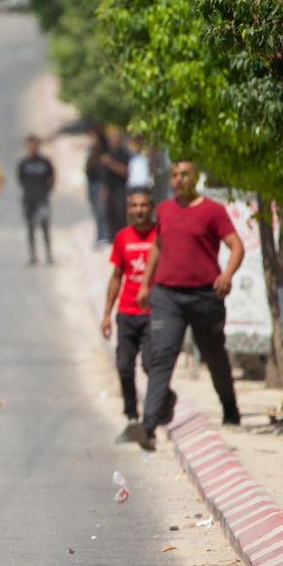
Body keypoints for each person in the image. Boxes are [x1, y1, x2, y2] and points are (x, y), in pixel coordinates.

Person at [135, 159, 245, 447]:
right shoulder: (164, 210)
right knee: (160, 357)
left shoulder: (213, 211)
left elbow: (236, 246)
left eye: (185, 174)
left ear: (195, 178)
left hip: (204, 297)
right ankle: (148, 426)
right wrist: (146, 283)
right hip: (167, 296)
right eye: (174, 174)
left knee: (214, 356)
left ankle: (230, 407)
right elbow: (158, 246)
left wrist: (227, 275)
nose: (179, 179)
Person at [101, 189, 163, 447]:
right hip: (127, 313)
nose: (139, 210)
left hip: (155, 313)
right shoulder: (122, 238)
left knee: (151, 365)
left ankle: (153, 417)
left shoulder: (161, 237)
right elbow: (116, 277)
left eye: (143, 205)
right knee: (125, 366)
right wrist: (106, 314)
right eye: (134, 206)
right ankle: (132, 416)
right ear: (128, 210)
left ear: (152, 208)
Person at [16, 134, 56, 265]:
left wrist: (46, 191)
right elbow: (20, 179)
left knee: (45, 227)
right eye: (30, 145)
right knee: (30, 228)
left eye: (35, 145)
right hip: (28, 199)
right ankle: (33, 256)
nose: (32, 148)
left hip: (42, 199)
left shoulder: (45, 162)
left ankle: (48, 254)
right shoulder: (24, 163)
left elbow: (52, 177)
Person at [101, 127, 131, 240]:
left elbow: (125, 172)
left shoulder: (123, 154)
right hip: (110, 191)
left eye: (114, 138)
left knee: (121, 217)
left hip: (121, 190)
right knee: (110, 218)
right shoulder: (108, 153)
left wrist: (111, 164)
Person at [85, 127, 112, 247]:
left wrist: (105, 187)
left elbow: (105, 172)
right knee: (96, 213)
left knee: (102, 212)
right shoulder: (91, 151)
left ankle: (104, 237)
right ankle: (99, 237)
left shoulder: (105, 152)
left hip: (101, 185)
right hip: (92, 185)